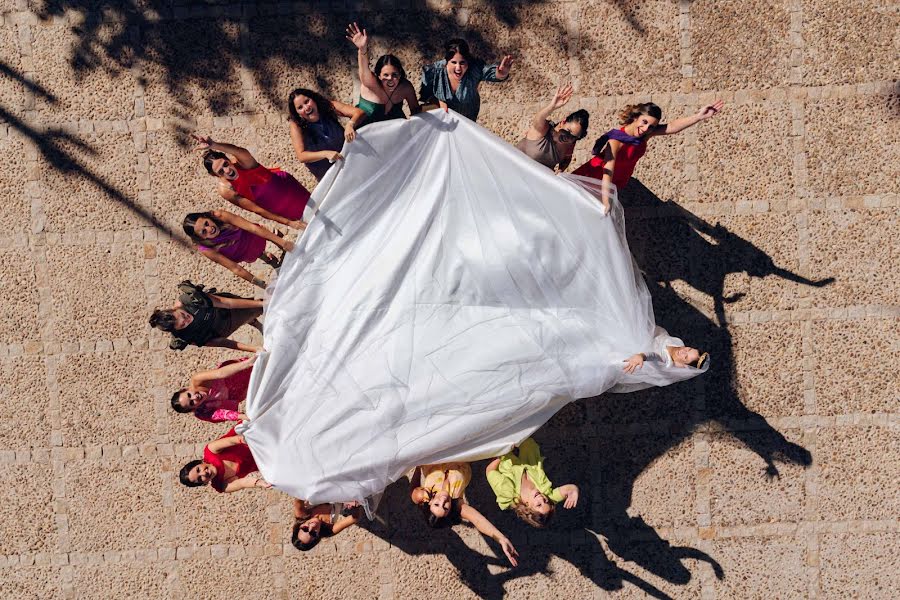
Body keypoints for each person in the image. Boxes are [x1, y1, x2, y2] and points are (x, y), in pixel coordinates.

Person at [573, 100, 724, 213]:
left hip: (610, 185)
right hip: (593, 178)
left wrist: (698, 117)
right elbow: (608, 171)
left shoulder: (643, 135)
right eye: (644, 122)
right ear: (635, 117)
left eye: (651, 126)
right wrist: (606, 202)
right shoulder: (616, 140)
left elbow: (671, 127)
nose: (646, 128)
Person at [408, 462, 519, 566]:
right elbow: (478, 520)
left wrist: (417, 466)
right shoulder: (457, 504)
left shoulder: (422, 496)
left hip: (435, 452)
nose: (443, 500)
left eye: (437, 504)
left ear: (430, 503)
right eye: (445, 507)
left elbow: (413, 488)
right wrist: (501, 539)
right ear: (450, 510)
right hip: (460, 452)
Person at [193, 135, 309, 231]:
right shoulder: (226, 190)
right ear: (215, 175)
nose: (227, 170)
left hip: (289, 189)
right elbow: (256, 209)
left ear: (228, 160)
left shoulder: (244, 164)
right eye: (221, 171)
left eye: (225, 164)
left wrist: (215, 145)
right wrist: (288, 222)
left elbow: (237, 150)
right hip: (280, 208)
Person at [182, 210, 294, 289]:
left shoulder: (220, 216)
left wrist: (283, 243)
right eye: (204, 232)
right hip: (241, 253)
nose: (210, 229)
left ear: (207, 217)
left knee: (271, 237)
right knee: (257, 254)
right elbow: (235, 268)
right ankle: (268, 258)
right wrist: (263, 286)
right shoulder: (206, 249)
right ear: (200, 238)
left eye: (206, 223)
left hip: (250, 235)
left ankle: (276, 238)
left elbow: (252, 228)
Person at [485, 438, 579, 529]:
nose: (542, 499)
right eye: (545, 501)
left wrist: (502, 453)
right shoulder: (546, 495)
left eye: (538, 505)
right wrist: (574, 490)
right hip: (523, 441)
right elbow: (569, 490)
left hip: (498, 447)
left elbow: (489, 471)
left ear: (527, 508)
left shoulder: (507, 493)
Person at [149, 281, 262, 352]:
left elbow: (227, 303)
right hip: (226, 327)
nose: (187, 320)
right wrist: (253, 349)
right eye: (183, 325)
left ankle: (253, 319)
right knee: (254, 311)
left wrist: (261, 304)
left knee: (258, 306)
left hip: (226, 310)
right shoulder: (184, 336)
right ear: (176, 330)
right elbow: (223, 342)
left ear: (174, 309)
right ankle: (252, 320)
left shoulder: (190, 300)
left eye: (183, 315)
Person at [419, 38, 513, 122]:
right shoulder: (434, 72)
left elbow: (492, 73)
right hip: (441, 123)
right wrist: (441, 104)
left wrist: (502, 73)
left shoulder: (474, 70)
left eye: (462, 63)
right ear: (447, 61)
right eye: (454, 62)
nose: (458, 68)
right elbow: (426, 97)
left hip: (466, 123)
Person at [345, 22, 421, 126]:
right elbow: (364, 69)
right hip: (366, 133)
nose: (390, 78)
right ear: (378, 75)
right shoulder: (371, 84)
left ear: (400, 74)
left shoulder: (405, 87)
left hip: (393, 134)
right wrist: (362, 50)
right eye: (386, 75)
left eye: (395, 75)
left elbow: (416, 112)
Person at [288, 88, 366, 181]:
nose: (306, 108)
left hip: (350, 162)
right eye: (300, 107)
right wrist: (325, 154)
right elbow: (301, 156)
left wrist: (350, 124)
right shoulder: (296, 126)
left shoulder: (327, 106)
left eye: (307, 101)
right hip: (329, 177)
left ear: (313, 99)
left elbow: (359, 112)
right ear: (297, 113)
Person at [516, 83, 589, 172]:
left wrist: (561, 170)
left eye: (574, 137)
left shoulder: (569, 144)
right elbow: (538, 119)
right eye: (568, 131)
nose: (568, 137)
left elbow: (566, 160)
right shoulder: (544, 129)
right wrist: (552, 106)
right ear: (563, 122)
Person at [179, 428, 271, 494]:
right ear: (204, 483)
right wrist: (260, 483)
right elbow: (242, 483)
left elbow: (233, 440)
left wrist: (252, 441)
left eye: (198, 470)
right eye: (200, 479)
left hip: (252, 439)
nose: (203, 474)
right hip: (264, 460)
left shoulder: (211, 450)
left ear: (200, 462)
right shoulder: (222, 485)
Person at [170, 356, 257, 422]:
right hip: (241, 390)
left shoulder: (197, 380)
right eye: (192, 403)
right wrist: (242, 416)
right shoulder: (201, 412)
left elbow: (220, 373)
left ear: (185, 389)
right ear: (193, 408)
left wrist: (247, 363)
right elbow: (222, 414)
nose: (195, 397)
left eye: (189, 395)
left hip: (236, 372)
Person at [622, 325, 709, 373]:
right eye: (689, 349)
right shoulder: (679, 343)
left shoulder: (665, 360)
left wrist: (641, 356)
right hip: (644, 330)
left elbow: (653, 355)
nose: (683, 352)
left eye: (685, 357)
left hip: (633, 342)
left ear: (683, 365)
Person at [290, 499, 363, 551]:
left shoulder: (301, 515)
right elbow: (355, 518)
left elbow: (299, 495)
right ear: (317, 536)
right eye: (313, 533)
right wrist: (356, 506)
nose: (312, 526)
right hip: (343, 493)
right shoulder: (328, 530)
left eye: (305, 529)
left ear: (300, 526)